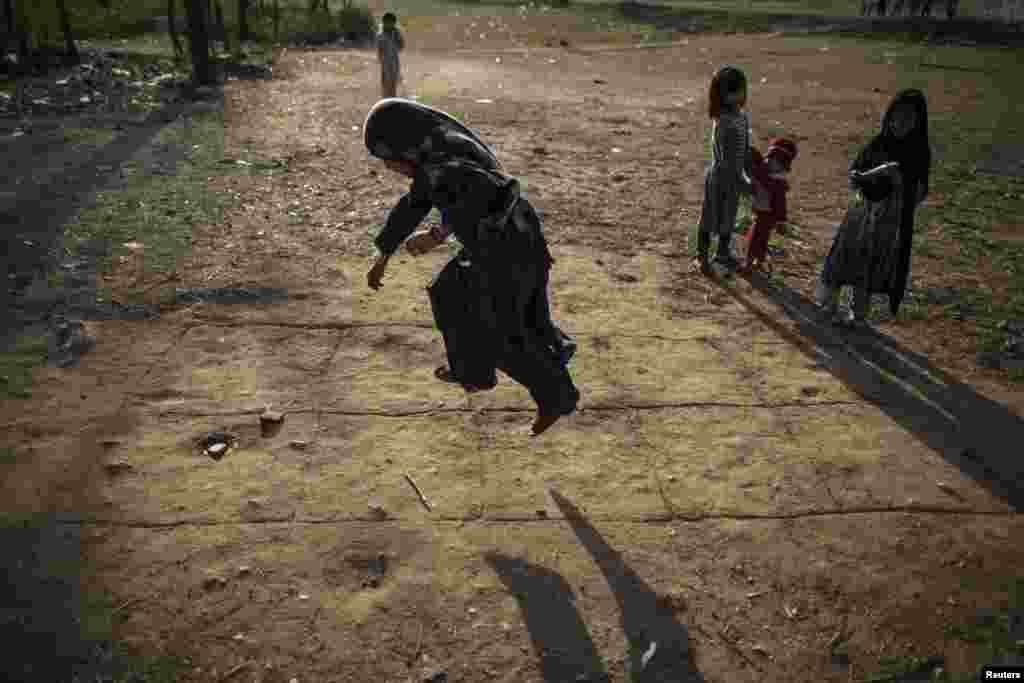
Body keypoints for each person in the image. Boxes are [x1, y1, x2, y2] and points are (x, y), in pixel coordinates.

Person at [363, 98, 580, 435]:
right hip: (510, 238)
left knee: (499, 331)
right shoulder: (436, 152)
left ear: (402, 147)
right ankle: (474, 372)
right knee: (451, 294)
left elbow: (482, 197)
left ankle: (554, 397)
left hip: (509, 247)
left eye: (390, 161)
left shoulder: (442, 162)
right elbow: (414, 204)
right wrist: (383, 255)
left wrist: (436, 235)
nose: (391, 169)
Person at [816, 89, 931, 327]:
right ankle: (828, 304)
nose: (899, 124)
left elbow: (919, 193)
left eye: (907, 120)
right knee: (844, 256)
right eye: (895, 118)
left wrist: (900, 184)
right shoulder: (878, 143)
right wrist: (866, 178)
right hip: (861, 214)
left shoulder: (918, 154)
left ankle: (858, 314)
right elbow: (854, 174)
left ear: (918, 123)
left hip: (887, 220)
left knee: (868, 267)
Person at [695, 65, 758, 276]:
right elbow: (723, 158)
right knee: (709, 218)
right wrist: (742, 181)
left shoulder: (742, 117)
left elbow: (745, 149)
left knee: (729, 218)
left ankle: (722, 253)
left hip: (735, 178)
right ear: (721, 95)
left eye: (739, 90)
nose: (737, 95)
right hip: (720, 178)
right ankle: (701, 257)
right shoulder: (723, 121)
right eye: (732, 91)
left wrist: (751, 172)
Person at [741, 137, 798, 274]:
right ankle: (758, 261)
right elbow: (758, 165)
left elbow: (780, 204)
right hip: (762, 213)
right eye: (770, 158)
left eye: (775, 161)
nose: (770, 162)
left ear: (783, 166)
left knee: (756, 239)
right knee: (761, 239)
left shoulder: (776, 181)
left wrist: (781, 222)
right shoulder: (768, 171)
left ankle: (748, 263)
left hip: (767, 216)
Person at [377, 12, 405, 99]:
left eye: (391, 22)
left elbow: (401, 46)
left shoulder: (396, 33)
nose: (389, 24)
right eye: (387, 22)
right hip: (385, 62)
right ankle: (386, 100)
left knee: (393, 84)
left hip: (394, 61)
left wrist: (397, 38)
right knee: (386, 84)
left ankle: (392, 100)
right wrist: (381, 60)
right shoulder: (381, 35)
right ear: (384, 22)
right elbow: (379, 50)